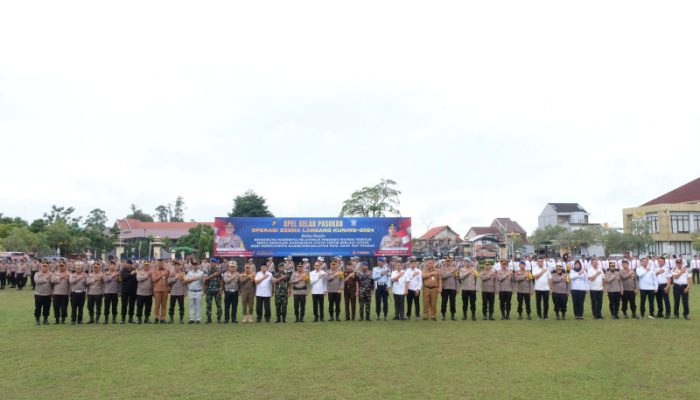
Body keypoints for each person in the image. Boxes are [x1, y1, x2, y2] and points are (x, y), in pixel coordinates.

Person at [203, 259, 223, 324]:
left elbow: (221, 280)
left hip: (217, 290)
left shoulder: (219, 271)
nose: (212, 264)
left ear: (216, 263)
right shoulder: (207, 271)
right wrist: (213, 275)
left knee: (219, 305)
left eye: (214, 263)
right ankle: (209, 319)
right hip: (209, 290)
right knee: (208, 305)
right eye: (211, 262)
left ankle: (219, 319)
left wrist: (221, 288)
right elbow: (205, 279)